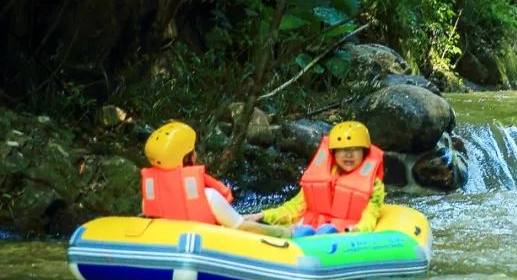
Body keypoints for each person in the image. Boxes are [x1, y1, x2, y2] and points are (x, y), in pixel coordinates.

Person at [141, 121, 289, 237]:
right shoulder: (209, 197)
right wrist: (280, 232)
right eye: (193, 151)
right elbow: (242, 228)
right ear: (189, 158)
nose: (196, 154)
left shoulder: (150, 196)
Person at [244, 120, 385, 236]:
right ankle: (263, 228)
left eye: (354, 149)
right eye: (342, 150)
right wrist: (263, 215)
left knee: (322, 232)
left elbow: (370, 216)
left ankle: (283, 233)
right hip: (308, 229)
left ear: (364, 153)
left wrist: (358, 230)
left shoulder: (374, 185)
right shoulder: (318, 179)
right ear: (333, 154)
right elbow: (293, 208)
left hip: (342, 234)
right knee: (302, 230)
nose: (348, 155)